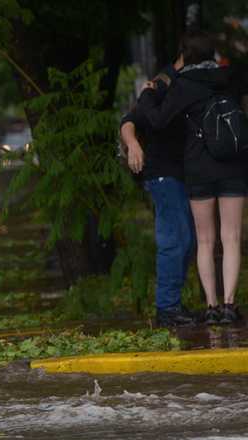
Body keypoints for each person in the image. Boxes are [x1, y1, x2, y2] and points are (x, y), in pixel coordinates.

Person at [140, 31, 247, 325]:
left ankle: (211, 307)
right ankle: (229, 306)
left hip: (199, 167)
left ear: (185, 55)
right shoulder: (231, 77)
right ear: (212, 53)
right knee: (232, 237)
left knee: (205, 240)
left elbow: (158, 120)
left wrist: (148, 93)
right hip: (233, 164)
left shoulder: (183, 85)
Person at [120, 67, 197, 327]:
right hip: (162, 175)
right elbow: (129, 121)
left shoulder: (188, 88)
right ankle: (167, 308)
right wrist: (133, 145)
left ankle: (171, 304)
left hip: (178, 176)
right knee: (174, 241)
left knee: (187, 241)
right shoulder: (160, 88)